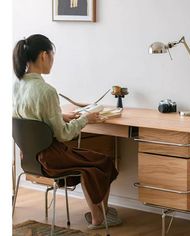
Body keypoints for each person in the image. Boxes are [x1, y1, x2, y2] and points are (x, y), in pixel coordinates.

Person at [12, 34, 122, 229]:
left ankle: (100, 215)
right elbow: (63, 135)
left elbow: (30, 120)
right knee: (102, 162)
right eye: (53, 56)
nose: (53, 61)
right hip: (52, 157)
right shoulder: (47, 91)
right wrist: (84, 119)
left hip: (29, 157)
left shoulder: (16, 86)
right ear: (44, 55)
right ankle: (98, 218)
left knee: (94, 162)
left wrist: (60, 116)